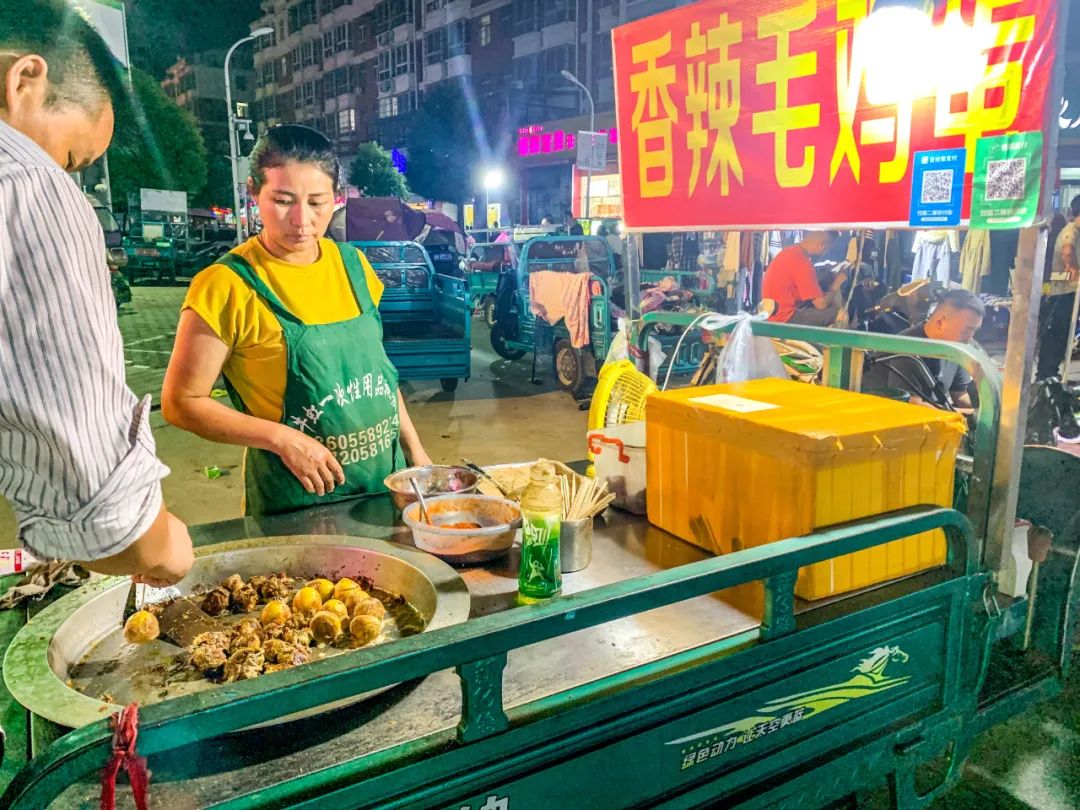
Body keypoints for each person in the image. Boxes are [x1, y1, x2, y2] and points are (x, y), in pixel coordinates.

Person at [0, 0, 193, 584]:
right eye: (71, 158)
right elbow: (98, 501)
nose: (66, 176)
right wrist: (162, 545)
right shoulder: (30, 186)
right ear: (24, 80)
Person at [162, 126, 431, 516]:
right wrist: (280, 438)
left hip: (382, 489)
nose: (302, 220)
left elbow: (378, 379)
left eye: (318, 203)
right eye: (283, 201)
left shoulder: (353, 266)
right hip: (296, 504)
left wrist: (415, 452)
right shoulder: (226, 285)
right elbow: (180, 403)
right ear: (254, 191)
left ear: (337, 199)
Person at [863, 289, 985, 409]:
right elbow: (912, 406)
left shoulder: (955, 348)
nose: (970, 338)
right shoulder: (907, 348)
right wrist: (956, 416)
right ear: (940, 323)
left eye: (975, 330)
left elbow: (960, 395)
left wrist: (985, 408)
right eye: (967, 330)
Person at [761, 231, 847, 325]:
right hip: (784, 318)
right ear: (821, 245)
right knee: (839, 315)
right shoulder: (802, 262)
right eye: (827, 248)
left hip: (773, 312)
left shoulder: (791, 251)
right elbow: (821, 304)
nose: (826, 252)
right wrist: (836, 284)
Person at [1037, 196, 1080, 380]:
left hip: (1068, 290)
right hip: (1063, 290)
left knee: (1062, 333)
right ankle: (1046, 373)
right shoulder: (1072, 230)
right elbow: (1067, 250)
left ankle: (1049, 372)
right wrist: (1073, 268)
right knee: (1058, 332)